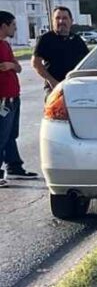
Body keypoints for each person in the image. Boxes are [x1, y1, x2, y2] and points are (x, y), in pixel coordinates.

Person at [0, 11, 37, 187]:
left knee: (10, 135)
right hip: (2, 98)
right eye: (13, 24)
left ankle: (14, 167)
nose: (15, 28)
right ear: (4, 26)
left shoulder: (5, 45)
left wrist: (10, 65)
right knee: (1, 135)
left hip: (14, 96)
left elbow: (19, 67)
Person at [32, 6, 89, 100]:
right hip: (54, 89)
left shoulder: (77, 39)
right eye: (57, 18)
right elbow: (36, 63)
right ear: (52, 21)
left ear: (71, 21)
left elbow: (87, 61)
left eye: (65, 18)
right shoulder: (46, 39)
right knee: (55, 115)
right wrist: (52, 81)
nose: (61, 21)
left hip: (75, 87)